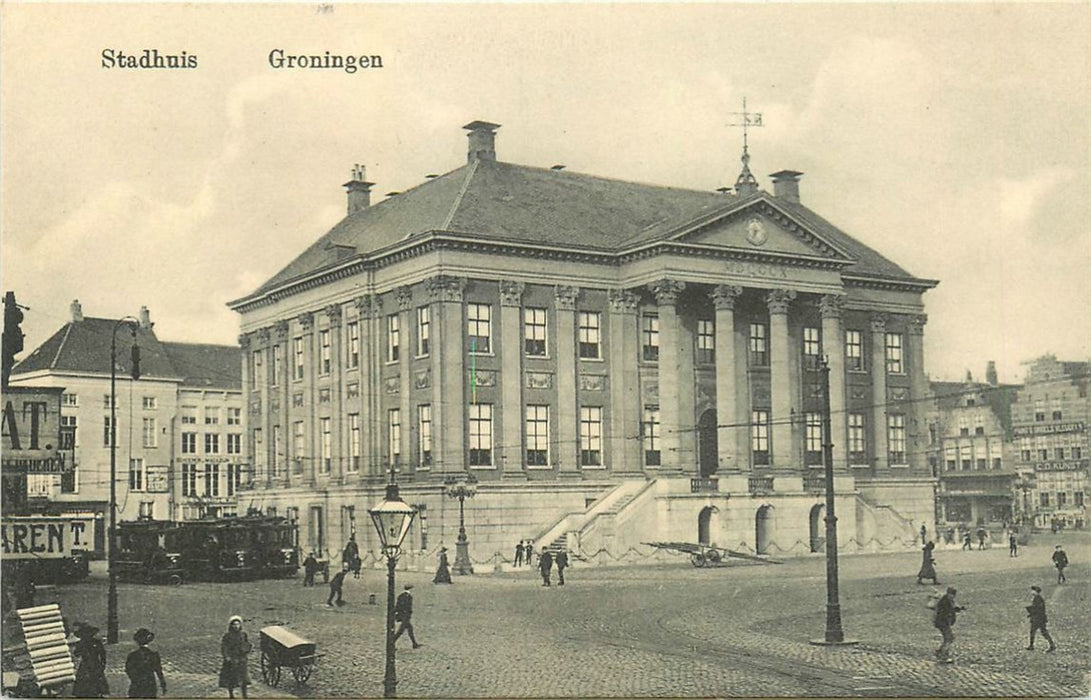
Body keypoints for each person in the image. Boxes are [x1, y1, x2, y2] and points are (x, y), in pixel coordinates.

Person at [125, 627, 167, 698]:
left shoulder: (132, 655)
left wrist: (134, 679)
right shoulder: (154, 655)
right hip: (150, 685)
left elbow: (128, 670)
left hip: (136, 685)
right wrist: (163, 685)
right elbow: (159, 672)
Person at [72, 622, 110, 698]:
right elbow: (77, 654)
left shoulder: (96, 642)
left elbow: (103, 654)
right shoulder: (82, 643)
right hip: (86, 665)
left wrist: (103, 665)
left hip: (95, 665)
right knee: (84, 684)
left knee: (96, 684)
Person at [218, 615, 251, 698]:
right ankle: (231, 694)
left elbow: (247, 644)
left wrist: (246, 650)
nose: (236, 626)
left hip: (241, 659)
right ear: (231, 626)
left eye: (238, 624)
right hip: (231, 659)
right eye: (234, 624)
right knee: (231, 679)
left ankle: (245, 695)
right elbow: (224, 647)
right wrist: (227, 657)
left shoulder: (243, 634)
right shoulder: (227, 636)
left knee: (243, 679)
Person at [933, 587, 965, 663]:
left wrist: (958, 609)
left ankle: (940, 652)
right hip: (943, 622)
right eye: (951, 594)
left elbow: (951, 609)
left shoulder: (947, 600)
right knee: (949, 638)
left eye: (953, 595)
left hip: (943, 622)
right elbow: (948, 610)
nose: (952, 596)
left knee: (948, 638)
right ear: (948, 594)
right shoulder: (945, 601)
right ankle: (943, 656)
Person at [1024, 585, 1056, 652]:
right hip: (1040, 618)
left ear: (1036, 591)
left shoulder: (1037, 598)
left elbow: (1037, 608)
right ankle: (1051, 645)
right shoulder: (1037, 598)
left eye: (1033, 590)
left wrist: (1030, 609)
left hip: (1038, 618)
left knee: (1036, 631)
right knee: (1042, 632)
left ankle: (1032, 646)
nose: (1031, 592)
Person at [393, 584, 422, 648]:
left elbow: (397, 605)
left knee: (410, 629)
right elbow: (406, 607)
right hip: (405, 616)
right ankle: (392, 642)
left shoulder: (401, 595)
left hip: (403, 615)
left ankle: (414, 644)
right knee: (401, 631)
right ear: (411, 589)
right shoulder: (408, 596)